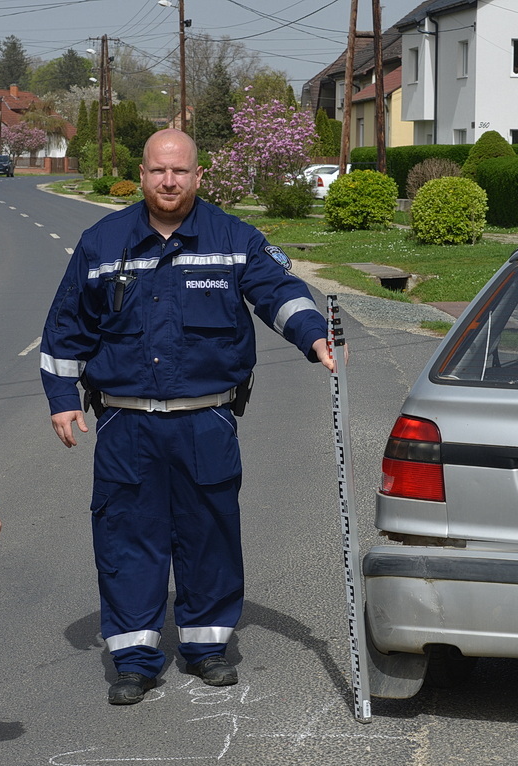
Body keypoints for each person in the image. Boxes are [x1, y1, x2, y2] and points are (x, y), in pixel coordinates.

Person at [40, 128, 334, 705]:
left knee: (210, 534)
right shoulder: (102, 242)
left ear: (199, 177)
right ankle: (134, 657)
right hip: (126, 423)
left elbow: (279, 291)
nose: (168, 181)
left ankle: (206, 648)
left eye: (179, 171)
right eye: (157, 171)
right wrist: (61, 400)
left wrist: (315, 335)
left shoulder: (233, 237)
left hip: (207, 420)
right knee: (128, 536)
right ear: (142, 175)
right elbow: (66, 327)